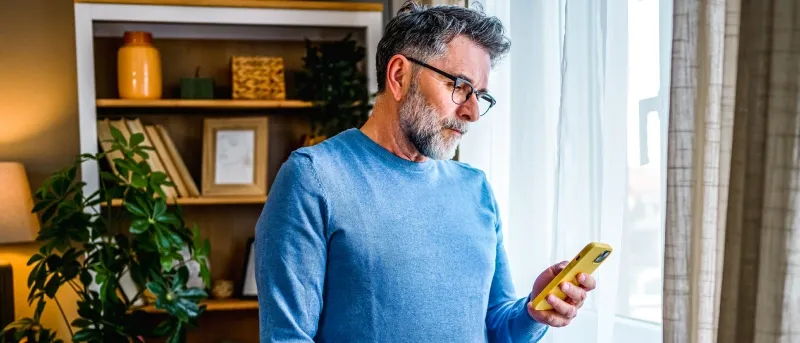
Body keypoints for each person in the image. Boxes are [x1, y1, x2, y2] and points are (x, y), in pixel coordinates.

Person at [254, 1, 596, 342]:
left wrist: (533, 313)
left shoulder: (475, 188)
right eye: (460, 86)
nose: (472, 112)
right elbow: (287, 337)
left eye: (480, 96)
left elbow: (496, 327)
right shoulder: (313, 178)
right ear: (400, 76)